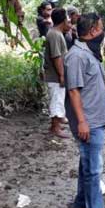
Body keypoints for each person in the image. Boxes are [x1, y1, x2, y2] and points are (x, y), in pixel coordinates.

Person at [64, 13, 105, 208]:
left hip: (94, 119)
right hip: (89, 122)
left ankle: (79, 205)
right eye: (102, 28)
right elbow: (73, 90)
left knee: (87, 164)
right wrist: (82, 122)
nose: (103, 32)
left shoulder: (88, 53)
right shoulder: (76, 56)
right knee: (94, 170)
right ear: (94, 30)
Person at [44, 8, 71, 139]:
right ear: (63, 20)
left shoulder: (57, 33)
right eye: (67, 19)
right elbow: (56, 56)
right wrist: (61, 75)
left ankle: (57, 124)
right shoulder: (55, 34)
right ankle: (55, 127)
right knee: (56, 100)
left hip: (56, 75)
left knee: (59, 99)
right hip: (54, 76)